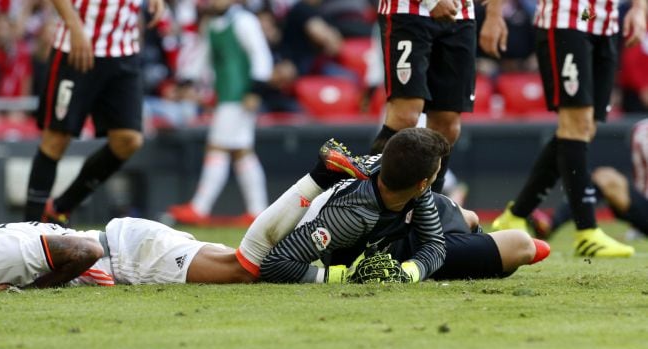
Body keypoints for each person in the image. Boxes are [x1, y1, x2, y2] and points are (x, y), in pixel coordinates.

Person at [0, 139, 374, 293]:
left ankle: (321, 175)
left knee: (247, 268)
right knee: (248, 262)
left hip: (127, 255)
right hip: (130, 242)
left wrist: (31, 291)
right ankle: (344, 263)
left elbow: (81, 251)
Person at [260, 128, 547, 283]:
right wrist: (342, 277)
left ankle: (470, 234)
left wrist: (409, 273)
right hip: (389, 248)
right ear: (424, 182)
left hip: (404, 230)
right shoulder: (350, 215)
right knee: (523, 246)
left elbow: (434, 245)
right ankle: (476, 243)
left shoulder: (405, 180)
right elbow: (275, 264)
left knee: (469, 218)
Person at [491, 0, 647, 257]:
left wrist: (639, 9)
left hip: (607, 25)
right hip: (566, 19)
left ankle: (515, 214)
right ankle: (586, 232)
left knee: (585, 127)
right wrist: (494, 14)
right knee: (576, 123)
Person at [23, 0, 165, 225]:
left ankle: (60, 208)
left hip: (123, 49)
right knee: (56, 139)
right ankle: (27, 229)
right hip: (77, 47)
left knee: (129, 140)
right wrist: (75, 27)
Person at [369, 0, 508, 193]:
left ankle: (427, 211)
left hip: (460, 16)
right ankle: (362, 197)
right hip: (407, 12)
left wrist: (494, 14)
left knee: (447, 125)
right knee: (405, 116)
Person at [167, 0, 274, 225]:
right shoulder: (212, 24)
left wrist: (256, 89)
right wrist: (186, 80)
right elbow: (202, 57)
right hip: (225, 95)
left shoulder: (245, 21)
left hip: (239, 95)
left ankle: (200, 207)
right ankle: (257, 210)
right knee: (241, 152)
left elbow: (261, 56)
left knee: (217, 147)